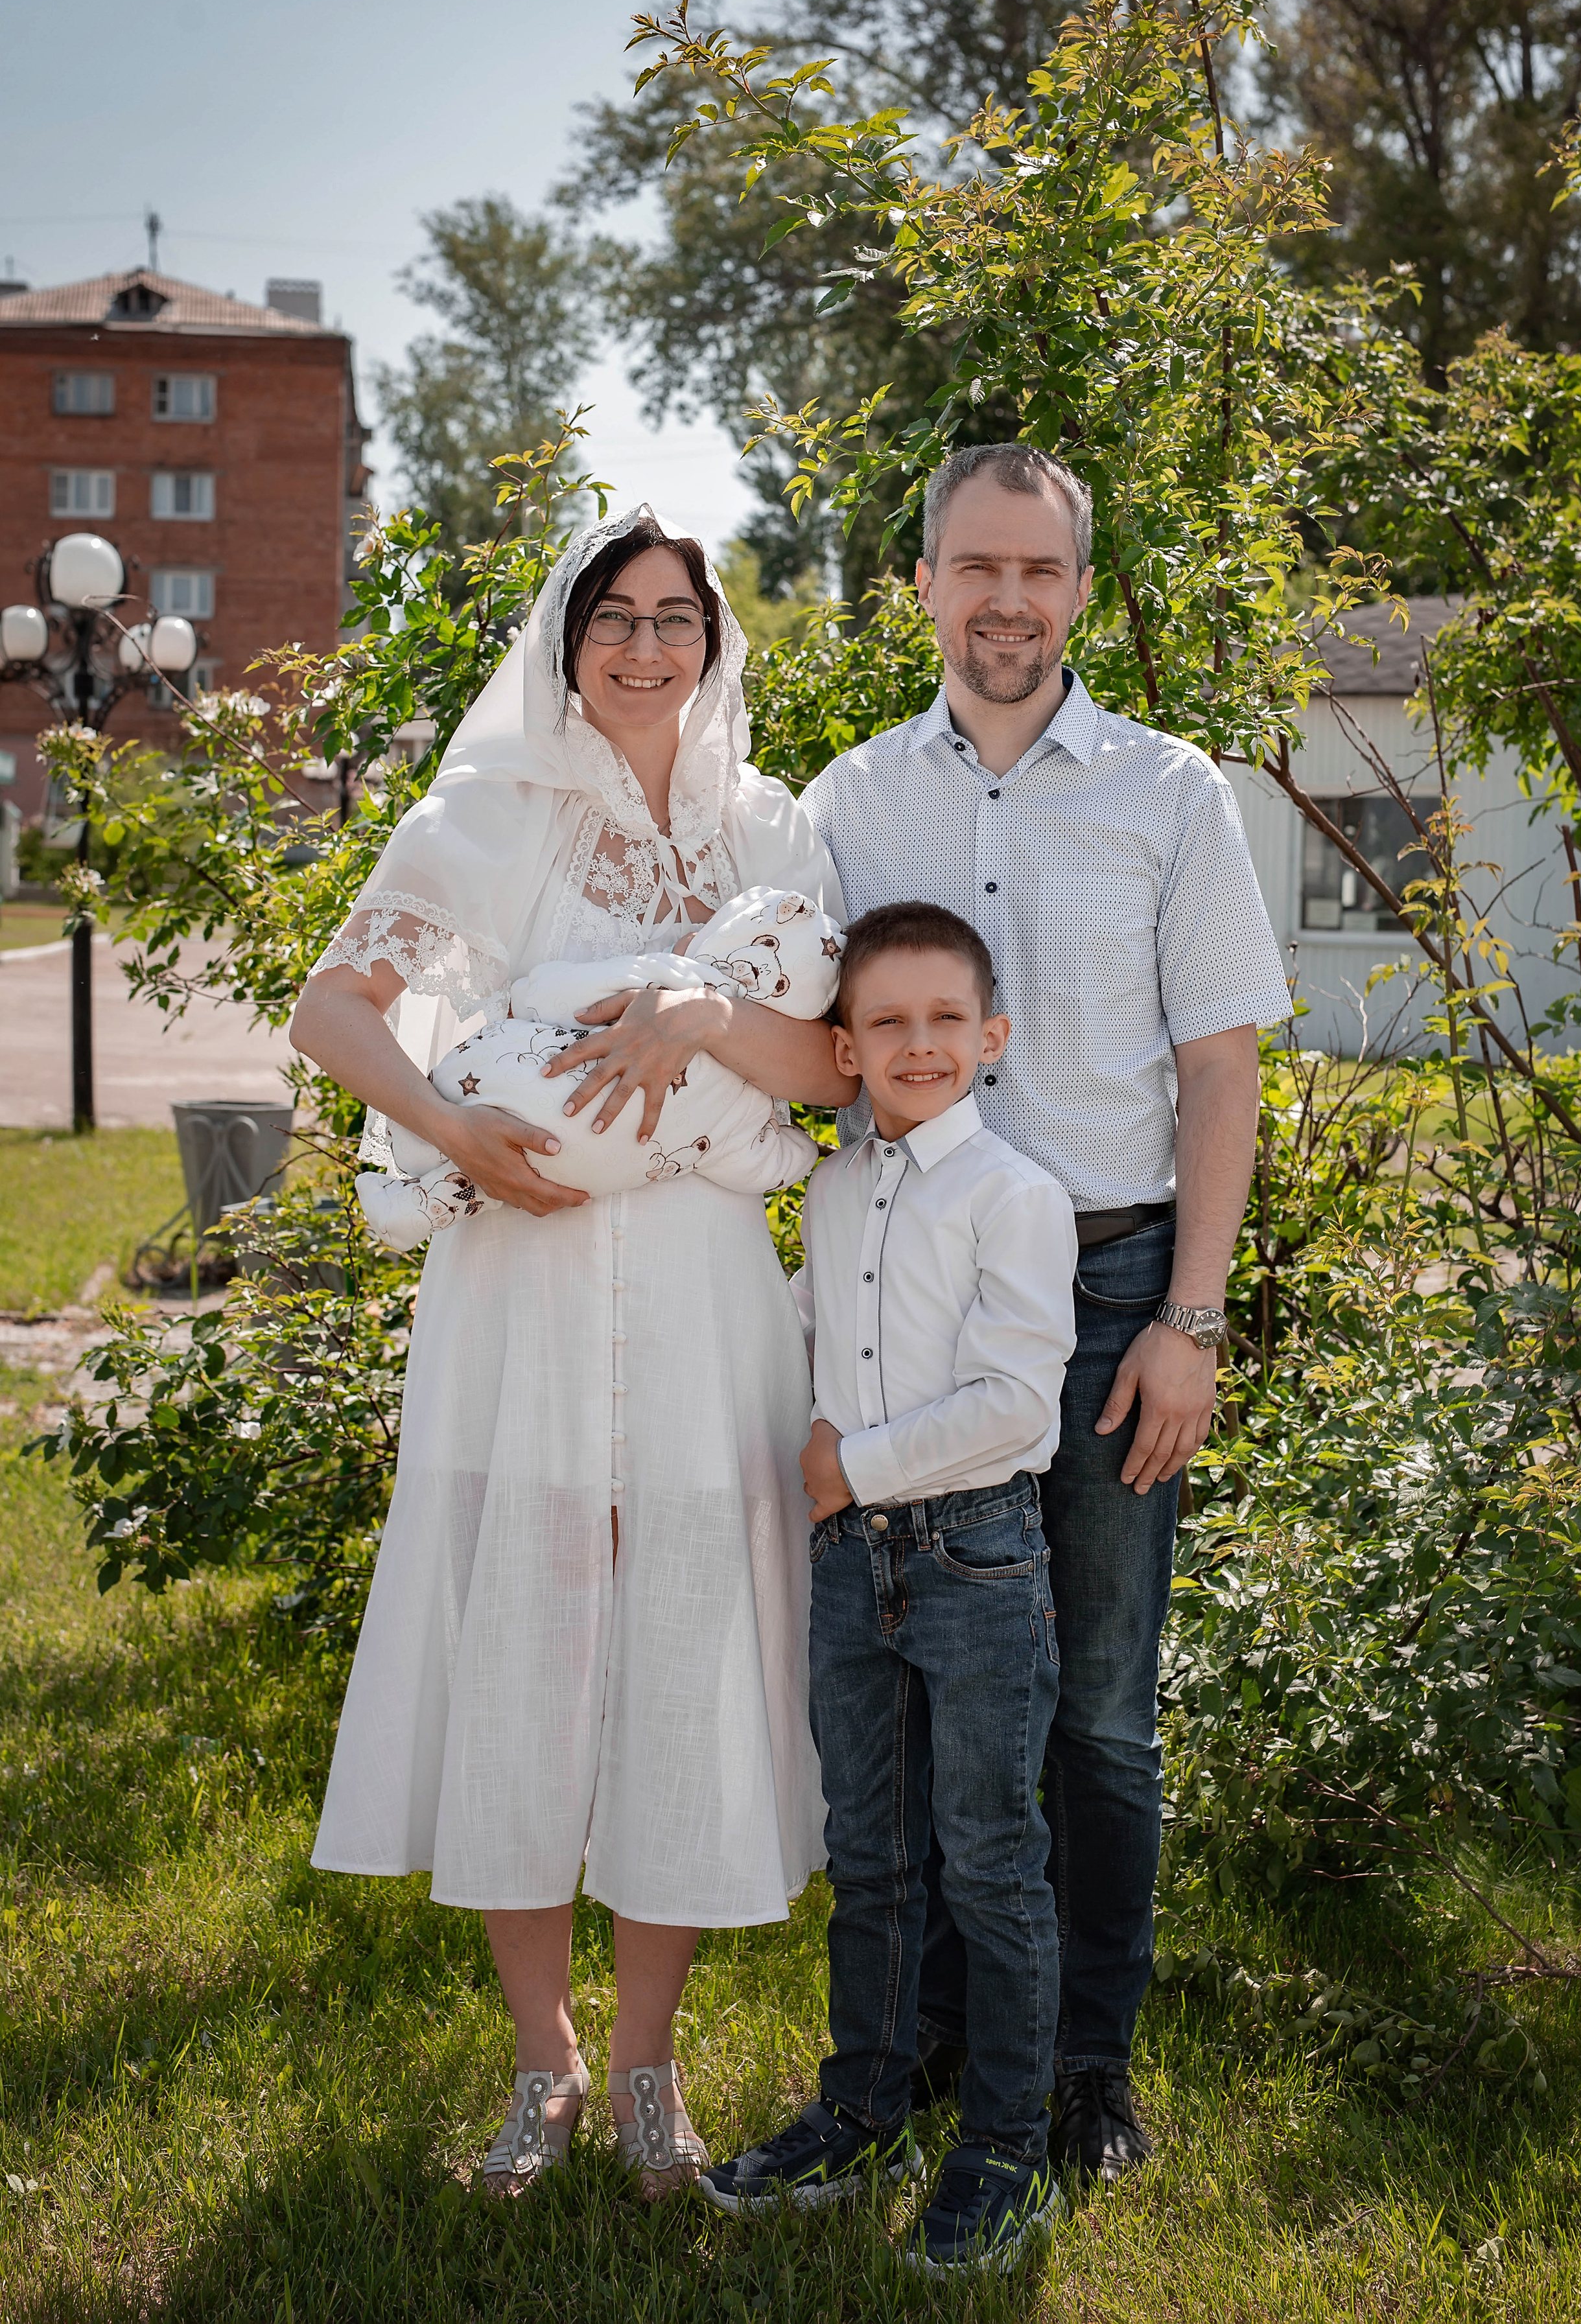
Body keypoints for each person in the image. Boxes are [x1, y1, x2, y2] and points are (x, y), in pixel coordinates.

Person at [291, 505, 855, 2200]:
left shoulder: (771, 828)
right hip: (521, 1292)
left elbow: (832, 1071)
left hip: (700, 1297)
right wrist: (454, 1133)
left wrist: (700, 1017)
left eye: (675, 616)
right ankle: (539, 2064)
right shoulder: (489, 812)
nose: (643, 646)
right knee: (525, 1651)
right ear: (565, 638)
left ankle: (645, 2070)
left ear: (713, 640)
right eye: (612, 615)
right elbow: (330, 1011)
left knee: (683, 1651)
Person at [798, 445, 1290, 2188]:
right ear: (924, 583)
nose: (1006, 600)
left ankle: (1087, 2071)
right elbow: (813, 1048)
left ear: (1080, 589)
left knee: (1095, 1711)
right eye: (975, 566)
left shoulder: (1170, 792)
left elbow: (1219, 1064)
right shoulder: (850, 802)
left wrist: (1191, 1321)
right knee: (933, 1693)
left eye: (1039, 570)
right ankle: (940, 2040)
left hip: (1110, 1296)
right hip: (912, 1305)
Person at [700, 903, 1078, 2275]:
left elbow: (1014, 1405)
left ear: (993, 1036)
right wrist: (822, 1447)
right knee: (869, 1854)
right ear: (845, 1050)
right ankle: (865, 2112)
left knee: (988, 1858)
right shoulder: (834, 1187)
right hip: (851, 1563)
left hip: (976, 1557)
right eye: (886, 1023)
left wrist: (847, 1465)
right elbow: (816, 1340)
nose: (919, 1044)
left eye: (944, 1020)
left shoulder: (1015, 1197)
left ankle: (1007, 2148)